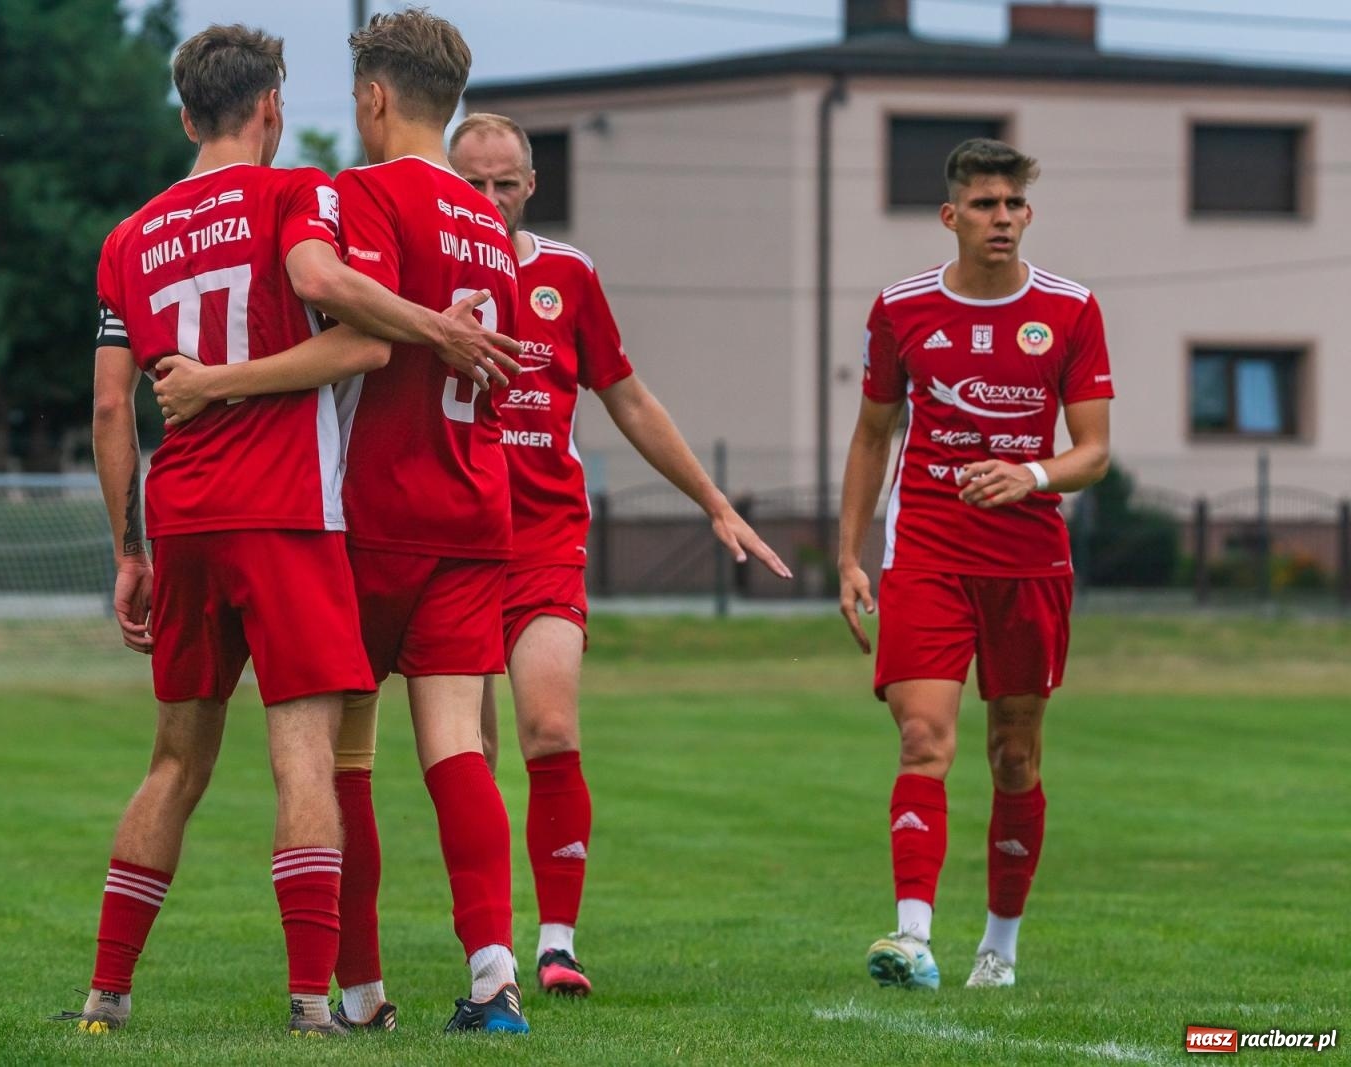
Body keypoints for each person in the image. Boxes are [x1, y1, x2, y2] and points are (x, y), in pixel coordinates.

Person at [60, 23, 511, 1037]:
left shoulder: (128, 236)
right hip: (289, 512)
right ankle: (315, 1002)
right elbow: (342, 319)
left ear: (186, 116)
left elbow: (109, 405)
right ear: (271, 106)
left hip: (182, 517)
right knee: (304, 756)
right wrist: (435, 328)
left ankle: (106, 994)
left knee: (173, 762)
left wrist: (128, 548)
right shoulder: (298, 193)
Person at [447, 112, 791, 997]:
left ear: (531, 186)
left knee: (551, 730)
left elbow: (628, 397)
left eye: (505, 182)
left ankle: (556, 944)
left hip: (543, 540)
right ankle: (488, 948)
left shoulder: (569, 274)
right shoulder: (424, 273)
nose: (489, 197)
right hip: (449, 540)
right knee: (467, 753)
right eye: (472, 182)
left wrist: (714, 501)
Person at [836, 138, 1112, 991]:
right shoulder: (901, 309)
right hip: (927, 550)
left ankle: (1000, 945)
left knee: (1014, 754)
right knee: (924, 737)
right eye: (986, 204)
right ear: (950, 215)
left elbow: (1093, 451)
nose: (1002, 218)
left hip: (1029, 561)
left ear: (1029, 214)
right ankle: (912, 936)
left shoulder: (1070, 310)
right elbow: (873, 434)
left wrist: (1032, 474)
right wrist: (849, 555)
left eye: (1014, 204)